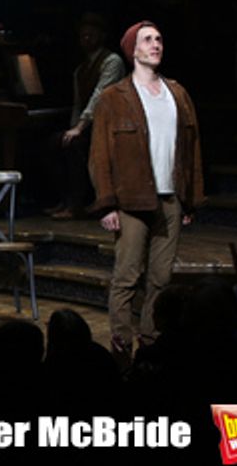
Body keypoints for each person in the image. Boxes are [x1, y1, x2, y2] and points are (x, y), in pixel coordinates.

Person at [89, 20, 203, 362]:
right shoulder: (114, 98)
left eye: (159, 39)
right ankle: (122, 347)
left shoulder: (178, 93)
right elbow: (99, 156)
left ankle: (152, 345)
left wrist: (190, 198)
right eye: (148, 40)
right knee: (126, 277)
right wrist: (107, 204)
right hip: (130, 200)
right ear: (132, 50)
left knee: (161, 278)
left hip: (170, 198)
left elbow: (192, 149)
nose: (156, 44)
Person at [47, 13, 126, 220]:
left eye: (91, 35)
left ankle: (77, 204)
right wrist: (72, 129)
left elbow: (99, 97)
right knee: (56, 143)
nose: (87, 39)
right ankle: (64, 200)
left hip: (109, 125)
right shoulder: (80, 70)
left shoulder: (112, 61)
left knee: (75, 146)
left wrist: (79, 128)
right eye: (83, 36)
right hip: (87, 125)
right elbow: (78, 104)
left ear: (101, 36)